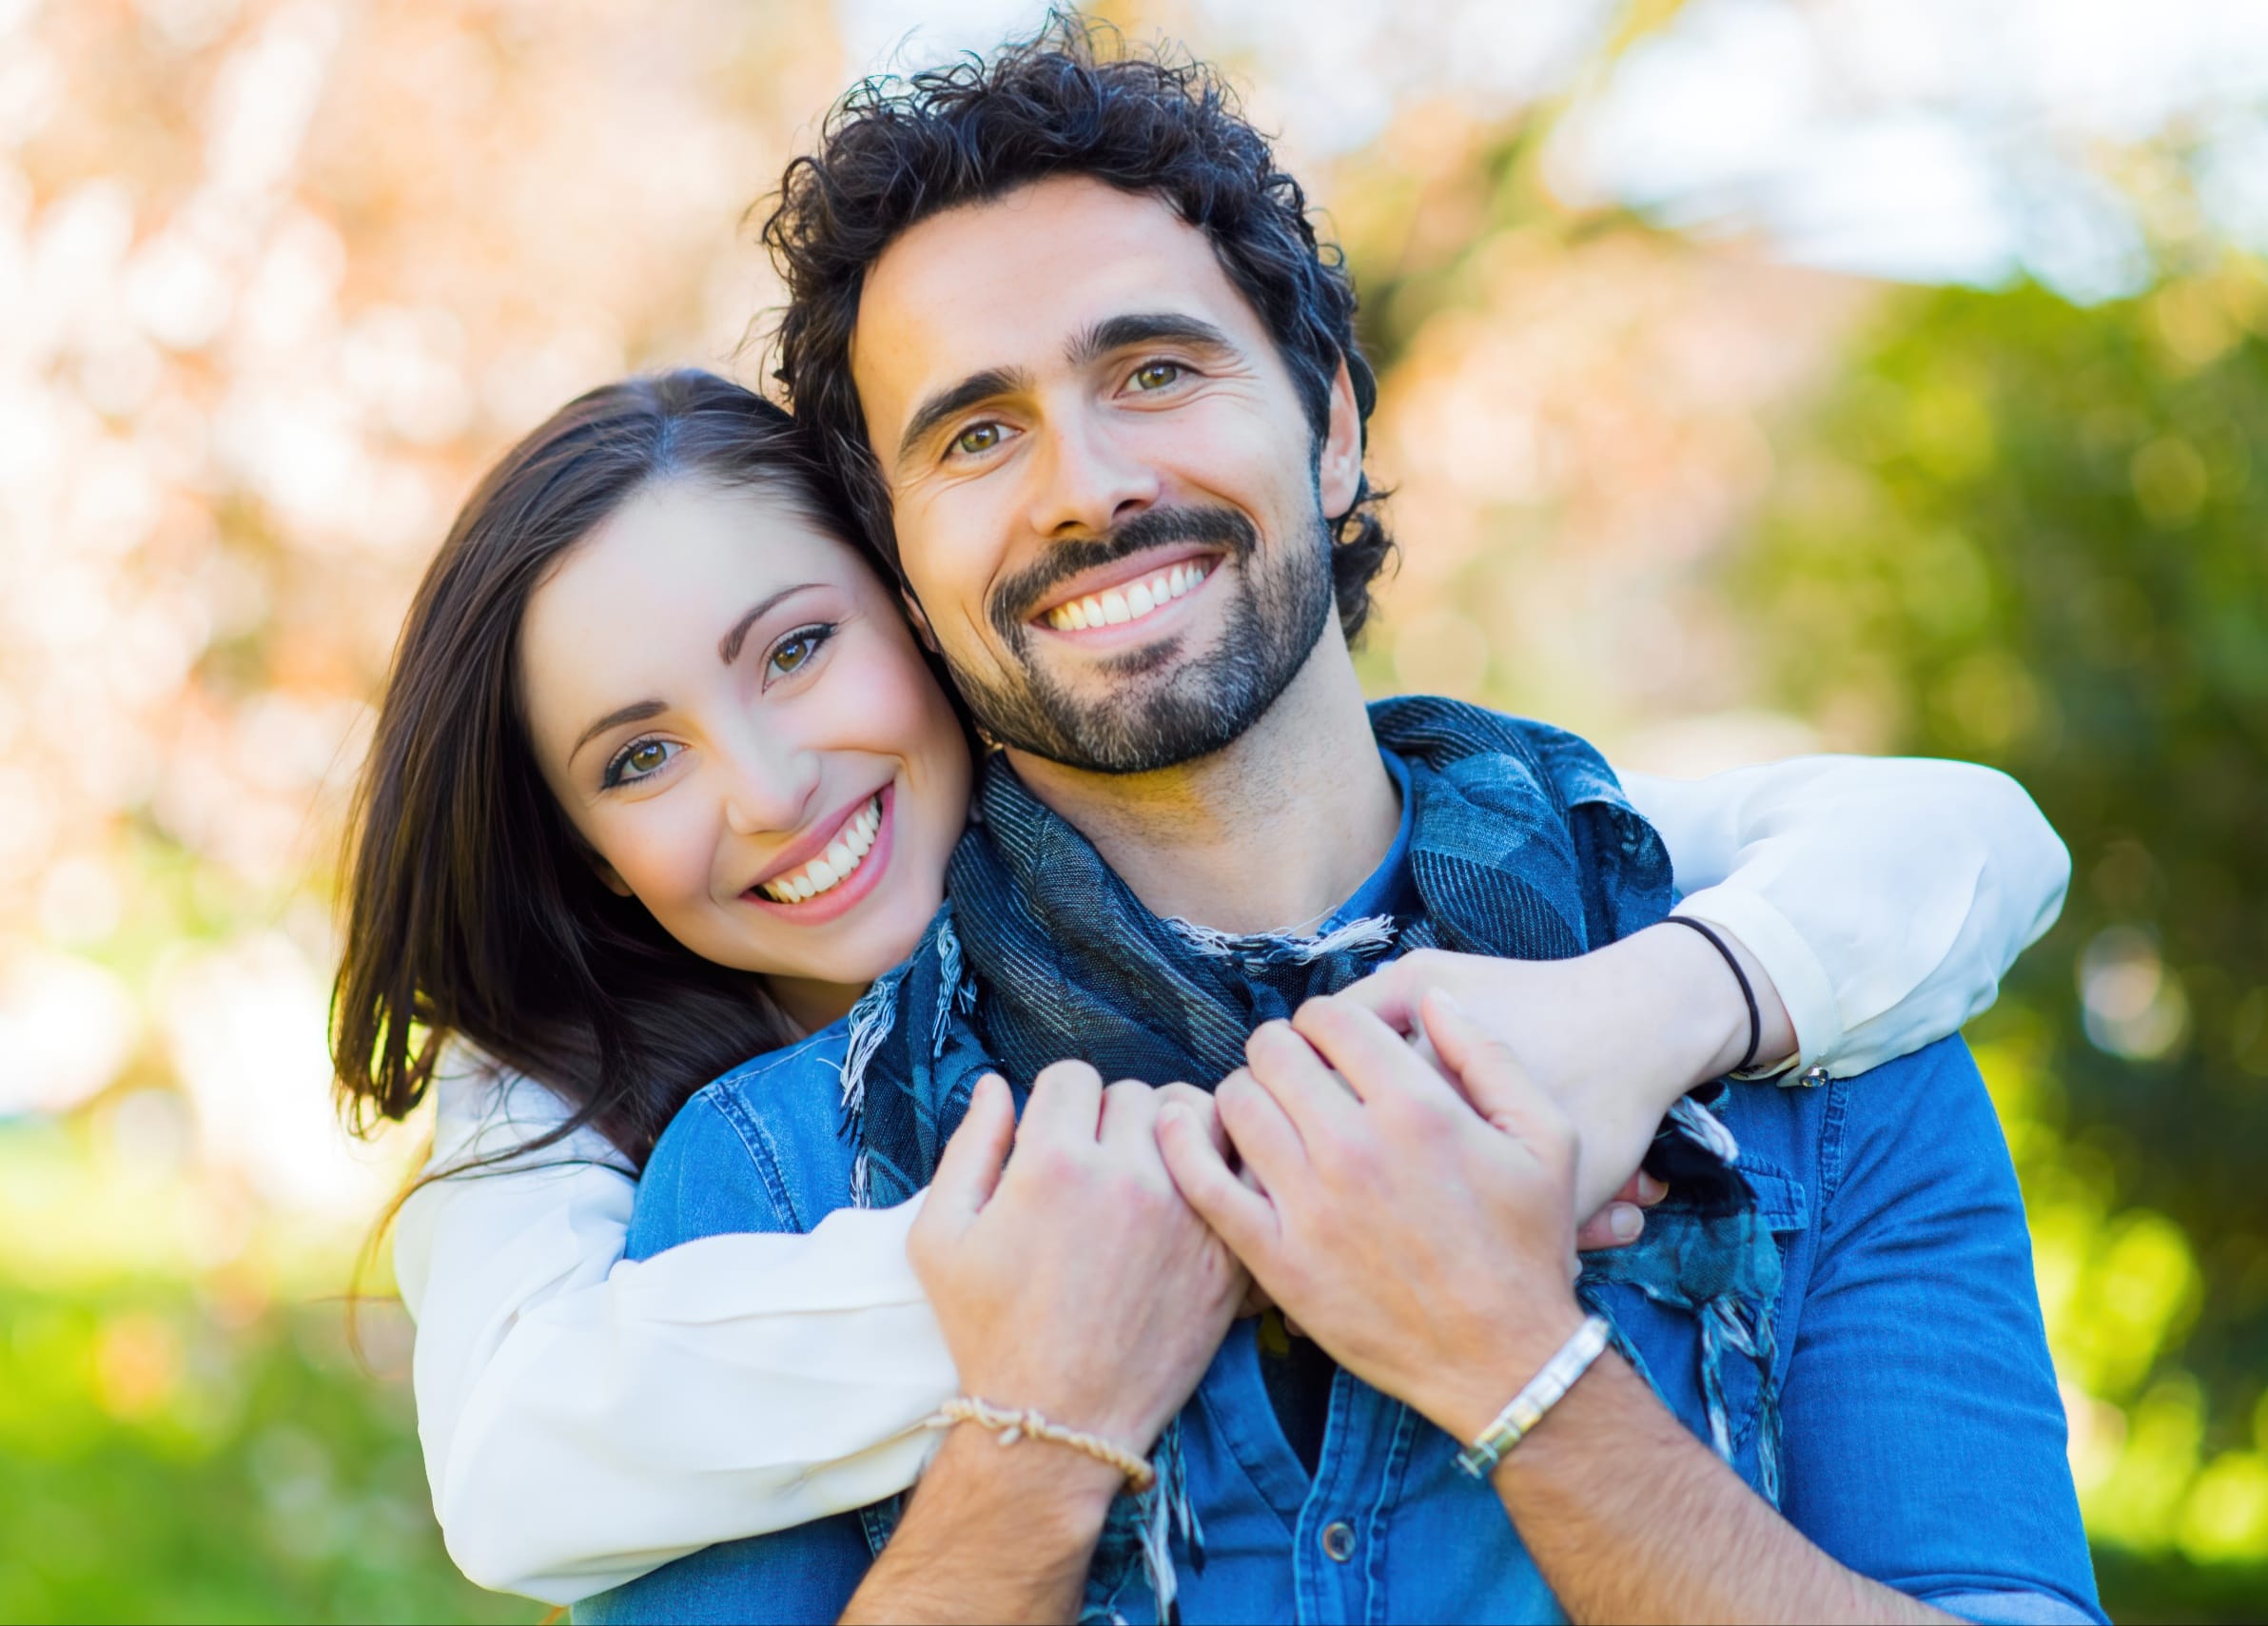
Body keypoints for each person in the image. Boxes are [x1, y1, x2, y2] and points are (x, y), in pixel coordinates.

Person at [566, 19, 2102, 1626]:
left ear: (1334, 425)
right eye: (977, 433)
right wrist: (1034, 1450)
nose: (1083, 484)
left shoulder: (1815, 1051)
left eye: (1153, 370)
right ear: (901, 571)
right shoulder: (774, 1178)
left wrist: (1519, 1368)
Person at [351, 376, 2068, 1608]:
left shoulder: (1578, 910)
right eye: (640, 756)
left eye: (798, 648)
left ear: (922, 607)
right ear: (579, 853)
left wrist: (1655, 1018)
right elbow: (516, 1466)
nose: (767, 787)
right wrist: (1101, 1326)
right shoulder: (670, 1151)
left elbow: (1932, 834)